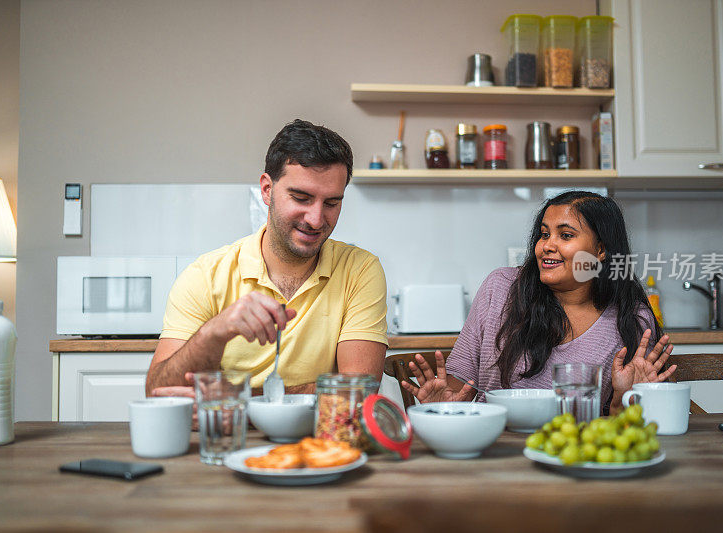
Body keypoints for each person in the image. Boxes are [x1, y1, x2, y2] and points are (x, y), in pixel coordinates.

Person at [146, 119, 389, 409]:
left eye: (332, 203)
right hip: (227, 445)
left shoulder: (359, 270)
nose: (315, 219)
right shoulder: (206, 275)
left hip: (319, 444)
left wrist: (238, 403)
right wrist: (214, 332)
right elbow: (160, 393)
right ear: (266, 190)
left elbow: (358, 391)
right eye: (301, 197)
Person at [403, 190, 676, 415]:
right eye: (544, 234)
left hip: (574, 457)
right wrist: (444, 404)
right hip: (495, 450)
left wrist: (624, 399)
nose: (547, 245)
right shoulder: (501, 288)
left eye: (565, 235)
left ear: (601, 250)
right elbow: (461, 385)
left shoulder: (630, 319)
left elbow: (624, 426)